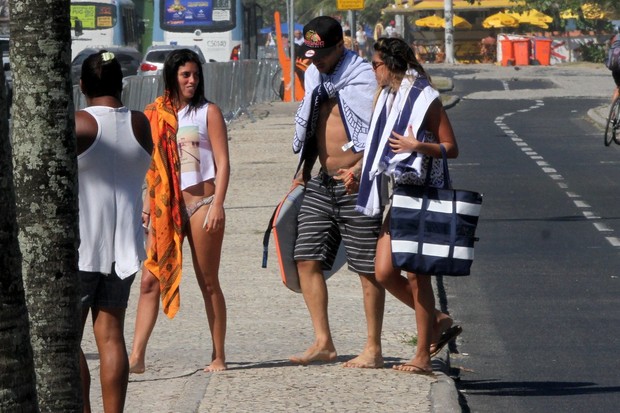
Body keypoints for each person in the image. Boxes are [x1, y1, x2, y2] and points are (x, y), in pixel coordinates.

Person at [356, 37, 462, 375]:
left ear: (390, 65)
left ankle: (422, 356)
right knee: (384, 270)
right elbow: (380, 148)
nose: (373, 71)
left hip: (427, 193)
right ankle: (438, 320)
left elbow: (451, 147)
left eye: (375, 65)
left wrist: (418, 146)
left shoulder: (425, 98)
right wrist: (358, 170)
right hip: (402, 192)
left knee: (418, 277)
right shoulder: (389, 98)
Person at [291, 16, 385, 368]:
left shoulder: (362, 77)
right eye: (311, 54)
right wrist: (303, 171)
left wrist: (360, 169)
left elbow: (379, 130)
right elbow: (315, 122)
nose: (315, 60)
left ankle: (372, 348)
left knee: (366, 268)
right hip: (323, 180)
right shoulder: (315, 75)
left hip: (358, 182)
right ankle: (323, 342)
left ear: (340, 47)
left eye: (322, 54)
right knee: (305, 258)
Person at [128, 48, 230, 373]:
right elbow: (151, 166)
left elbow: (224, 162)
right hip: (165, 208)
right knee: (149, 280)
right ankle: (136, 357)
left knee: (208, 282)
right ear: (172, 76)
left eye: (196, 75)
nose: (191, 80)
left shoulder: (208, 112)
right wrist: (146, 202)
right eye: (185, 74)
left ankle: (218, 356)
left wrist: (218, 204)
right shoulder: (156, 113)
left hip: (202, 206)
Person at [75, 50, 152, 412]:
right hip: (124, 248)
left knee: (67, 344)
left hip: (82, 247)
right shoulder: (141, 124)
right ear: (122, 83)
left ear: (82, 86)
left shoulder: (80, 124)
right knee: (111, 337)